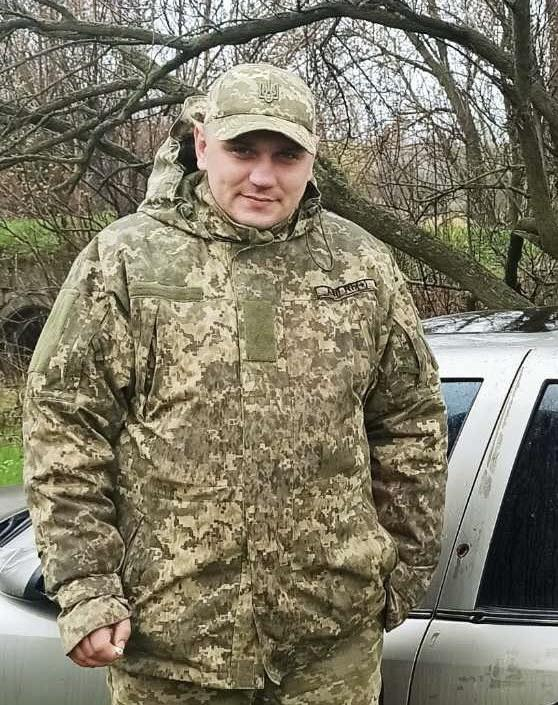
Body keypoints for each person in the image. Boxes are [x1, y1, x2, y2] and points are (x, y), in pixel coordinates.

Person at [23, 63, 448, 705]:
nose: (262, 176)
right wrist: (86, 586)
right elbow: (63, 427)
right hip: (171, 649)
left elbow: (411, 422)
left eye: (286, 155)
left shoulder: (359, 264)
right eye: (242, 150)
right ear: (202, 144)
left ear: (312, 158)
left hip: (330, 649)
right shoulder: (125, 260)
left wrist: (405, 568)